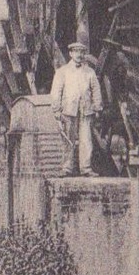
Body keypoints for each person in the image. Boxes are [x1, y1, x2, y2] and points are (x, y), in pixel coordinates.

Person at [50, 40, 103, 176]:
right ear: (70, 53)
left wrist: (97, 107)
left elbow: (96, 90)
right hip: (69, 109)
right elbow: (56, 91)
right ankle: (67, 168)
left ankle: (86, 168)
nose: (79, 54)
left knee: (86, 139)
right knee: (68, 139)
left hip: (85, 109)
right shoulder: (62, 72)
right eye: (76, 52)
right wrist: (56, 110)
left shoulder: (89, 72)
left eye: (81, 52)